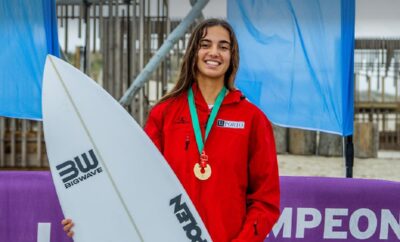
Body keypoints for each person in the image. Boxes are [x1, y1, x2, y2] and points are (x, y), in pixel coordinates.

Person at [62, 18, 280, 242]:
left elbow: (265, 201)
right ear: (193, 52)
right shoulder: (164, 114)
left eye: (223, 47)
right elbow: (137, 182)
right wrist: (91, 219)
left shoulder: (253, 119)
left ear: (232, 57)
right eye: (205, 45)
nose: (214, 52)